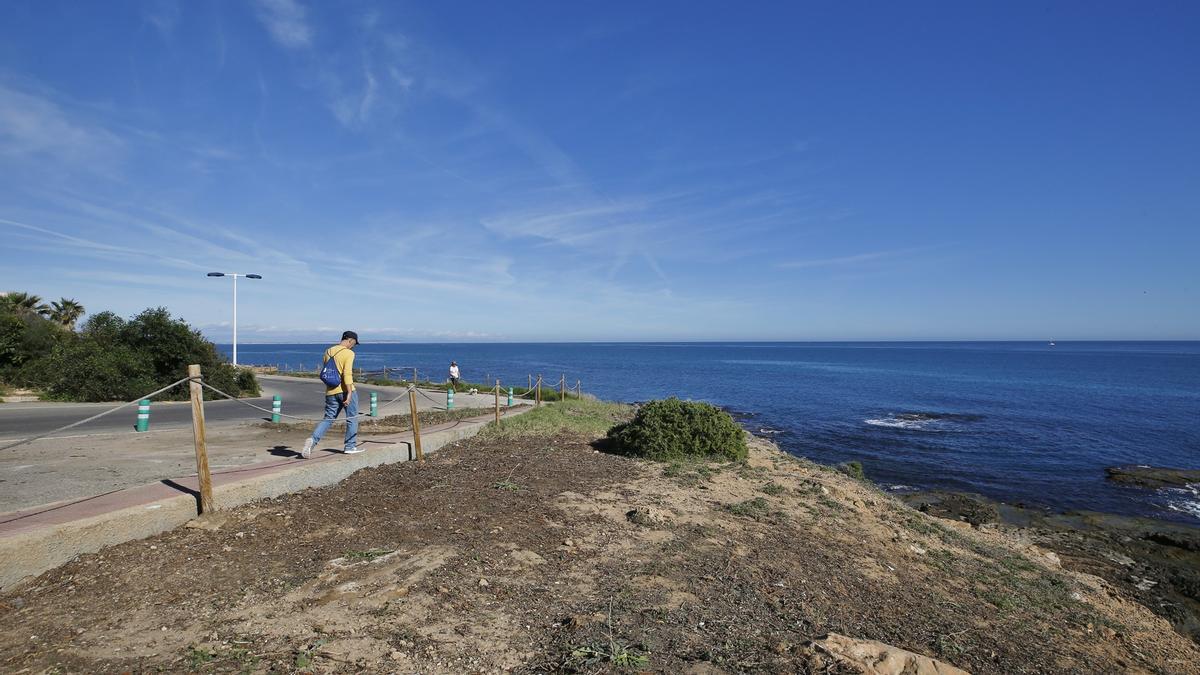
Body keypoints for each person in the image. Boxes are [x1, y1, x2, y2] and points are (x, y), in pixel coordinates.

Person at [302, 331, 362, 457]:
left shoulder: (328, 351)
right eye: (354, 343)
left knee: (328, 419)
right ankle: (350, 446)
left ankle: (313, 440)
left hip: (330, 391)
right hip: (345, 390)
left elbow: (327, 371)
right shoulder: (349, 353)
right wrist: (350, 393)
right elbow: (347, 374)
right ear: (350, 340)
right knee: (352, 418)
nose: (354, 346)